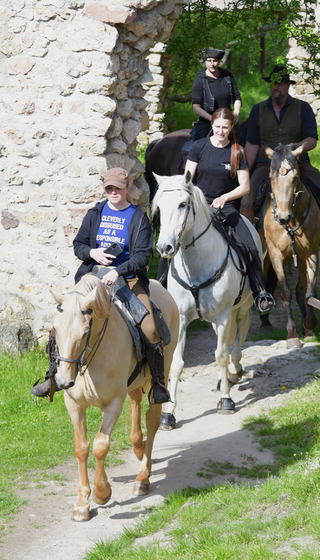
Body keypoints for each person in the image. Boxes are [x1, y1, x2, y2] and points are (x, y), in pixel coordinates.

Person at [31, 168, 170, 404]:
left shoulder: (138, 218)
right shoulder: (95, 213)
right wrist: (92, 252)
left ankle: (158, 383)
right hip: (92, 275)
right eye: (109, 188)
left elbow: (143, 256)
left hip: (128, 278)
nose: (113, 192)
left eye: (118, 188)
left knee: (149, 328)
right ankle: (53, 376)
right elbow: (79, 245)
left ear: (128, 189)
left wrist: (118, 271)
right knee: (60, 323)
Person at [241, 65, 320, 267]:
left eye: (279, 83)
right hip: (267, 165)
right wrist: (245, 171)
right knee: (246, 202)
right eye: (273, 83)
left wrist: (295, 150)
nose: (275, 87)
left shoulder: (302, 108)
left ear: (288, 85)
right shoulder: (258, 110)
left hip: (298, 164)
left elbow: (311, 139)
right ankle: (248, 252)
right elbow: (252, 144)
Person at [185, 107, 275, 314]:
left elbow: (245, 186)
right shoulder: (198, 147)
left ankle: (260, 293)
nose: (220, 131)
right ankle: (163, 287)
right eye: (217, 127)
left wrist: (225, 197)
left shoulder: (237, 151)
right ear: (212, 125)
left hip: (226, 208)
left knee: (251, 246)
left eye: (225, 127)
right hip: (200, 207)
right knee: (172, 241)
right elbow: (187, 181)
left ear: (231, 127)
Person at [191, 48, 242, 140]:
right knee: (201, 145)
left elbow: (237, 97)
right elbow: (196, 107)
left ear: (218, 62)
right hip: (207, 121)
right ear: (205, 62)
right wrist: (213, 119)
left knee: (245, 138)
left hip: (228, 120)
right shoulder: (200, 79)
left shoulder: (227, 76)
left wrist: (236, 112)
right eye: (209, 61)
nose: (212, 64)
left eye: (214, 61)